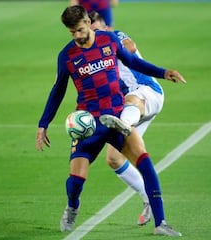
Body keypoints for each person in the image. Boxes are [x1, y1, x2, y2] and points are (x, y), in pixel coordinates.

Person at [36, 5, 185, 236]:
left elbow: (134, 62)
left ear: (87, 21)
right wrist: (43, 125)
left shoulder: (109, 40)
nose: (77, 36)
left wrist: (164, 72)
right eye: (72, 32)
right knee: (76, 180)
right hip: (90, 125)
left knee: (145, 162)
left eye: (79, 30)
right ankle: (73, 206)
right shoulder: (67, 56)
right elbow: (57, 91)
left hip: (116, 117)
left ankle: (161, 222)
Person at [89, 11, 184, 226]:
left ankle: (125, 124)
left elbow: (130, 47)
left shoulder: (116, 36)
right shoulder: (91, 56)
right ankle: (147, 198)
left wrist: (110, 51)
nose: (94, 34)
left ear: (105, 27)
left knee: (132, 99)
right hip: (130, 108)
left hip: (147, 93)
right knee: (113, 159)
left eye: (97, 29)